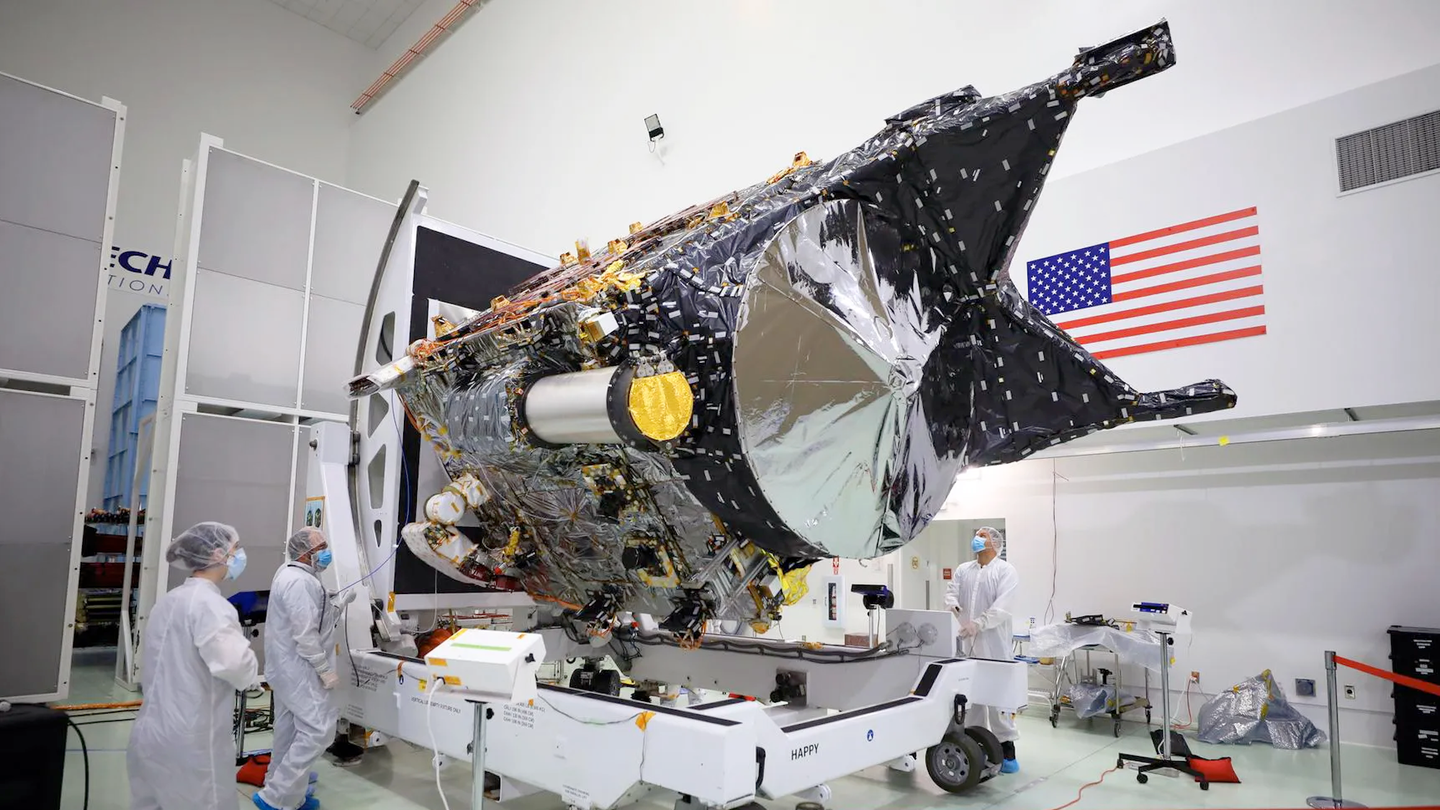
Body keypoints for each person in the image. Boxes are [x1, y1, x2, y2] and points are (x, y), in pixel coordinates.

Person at [127, 522, 259, 810]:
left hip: (151, 733)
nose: (239, 556)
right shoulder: (211, 605)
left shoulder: (170, 600)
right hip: (192, 741)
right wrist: (253, 668)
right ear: (217, 554)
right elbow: (236, 665)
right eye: (235, 550)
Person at [254, 528, 341, 810]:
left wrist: (335, 606)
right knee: (319, 731)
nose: (327, 552)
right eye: (322, 547)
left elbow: (313, 621)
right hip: (301, 669)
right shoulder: (299, 582)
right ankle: (276, 797)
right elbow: (305, 635)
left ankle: (284, 790)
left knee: (288, 731)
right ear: (306, 553)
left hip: (287, 668)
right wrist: (323, 668)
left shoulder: (294, 575)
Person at [944, 525, 1021, 773]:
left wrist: (979, 623)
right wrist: (954, 606)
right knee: (972, 698)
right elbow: (951, 593)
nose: (977, 538)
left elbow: (1003, 607)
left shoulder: (1005, 571)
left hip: (995, 647)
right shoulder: (964, 570)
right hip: (967, 644)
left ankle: (1007, 750)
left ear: (995, 543)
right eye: (977, 534)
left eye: (983, 536)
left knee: (999, 699)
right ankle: (978, 744)